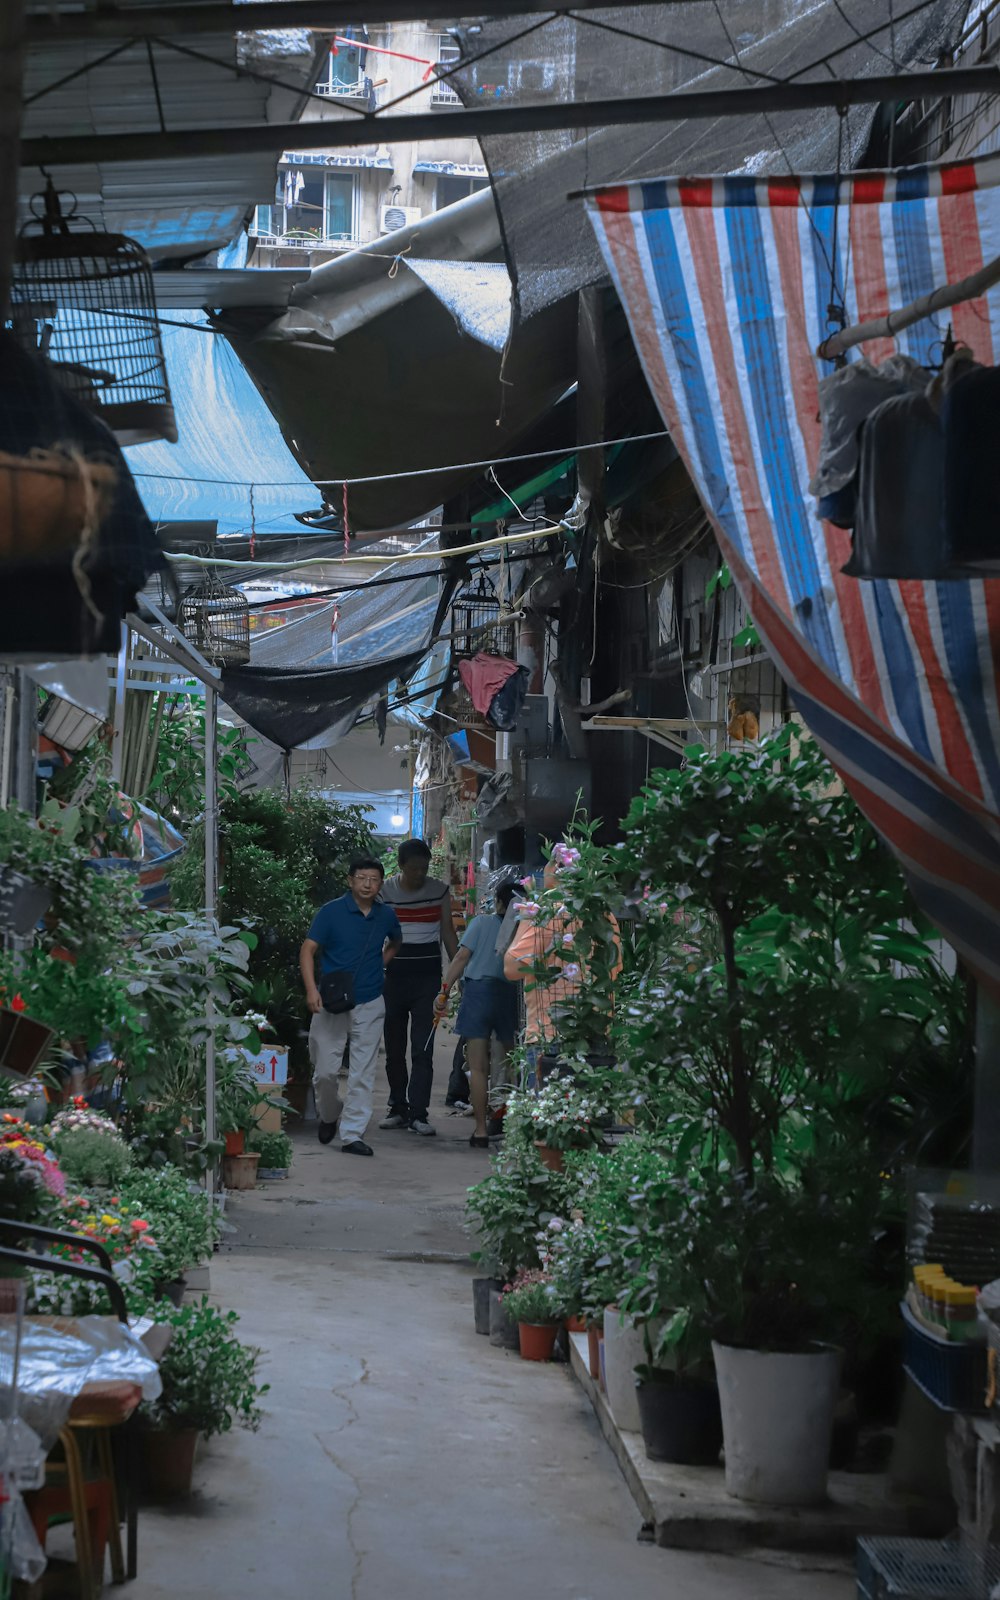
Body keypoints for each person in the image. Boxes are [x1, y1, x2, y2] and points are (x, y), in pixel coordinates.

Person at [299, 856, 402, 1158]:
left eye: (374, 879)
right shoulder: (331, 912)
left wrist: (379, 966)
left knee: (362, 1072)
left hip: (370, 1000)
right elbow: (308, 950)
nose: (368, 884)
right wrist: (310, 991)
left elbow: (396, 942)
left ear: (381, 884)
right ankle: (330, 1115)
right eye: (362, 877)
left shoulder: (386, 916)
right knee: (325, 1073)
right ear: (350, 880)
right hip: (331, 1001)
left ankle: (353, 1134)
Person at [503, 857, 622, 1075]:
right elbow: (614, 970)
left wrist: (527, 918)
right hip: (597, 1034)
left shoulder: (545, 914)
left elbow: (512, 968)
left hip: (550, 1035)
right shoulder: (606, 917)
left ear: (553, 873)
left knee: (547, 1105)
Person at [379, 839, 458, 1137]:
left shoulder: (439, 891)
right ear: (400, 866)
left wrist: (454, 976)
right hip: (393, 980)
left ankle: (418, 1114)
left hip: (427, 982)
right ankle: (397, 1107)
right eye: (413, 869)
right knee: (395, 1049)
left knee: (423, 1049)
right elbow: (378, 935)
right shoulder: (385, 892)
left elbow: (448, 933)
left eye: (424, 869)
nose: (419, 874)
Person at [434, 881, 519, 1149]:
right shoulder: (524, 928)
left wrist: (444, 992)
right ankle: (513, 1124)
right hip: (509, 995)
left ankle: (481, 1130)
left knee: (478, 1067)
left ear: (499, 902)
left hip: (478, 995)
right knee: (512, 1066)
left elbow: (460, 958)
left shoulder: (481, 924)